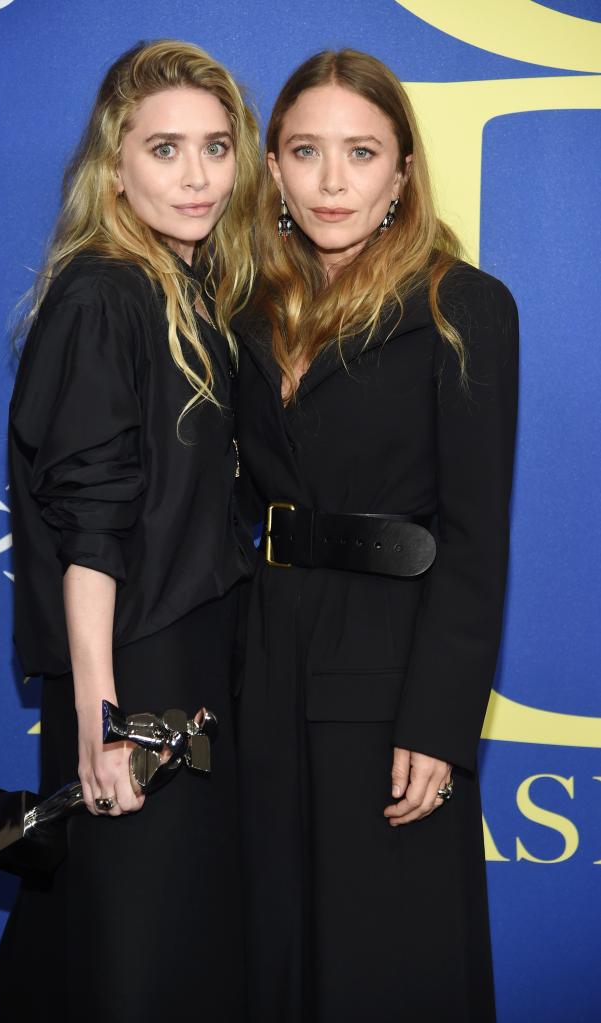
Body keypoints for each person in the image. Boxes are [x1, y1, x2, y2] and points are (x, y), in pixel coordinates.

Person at [234, 49, 518, 1022]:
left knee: (384, 960)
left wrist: (439, 726)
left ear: (402, 171)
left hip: (390, 678)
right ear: (272, 168)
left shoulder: (463, 307)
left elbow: (477, 537)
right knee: (265, 951)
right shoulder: (243, 308)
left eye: (361, 153)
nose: (331, 180)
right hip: (260, 664)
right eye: (305, 151)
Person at [0, 40, 259, 1023]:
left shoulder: (183, 290)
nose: (197, 177)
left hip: (183, 656)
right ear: (116, 163)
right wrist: (105, 718)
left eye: (217, 148)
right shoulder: (106, 294)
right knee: (136, 951)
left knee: (135, 938)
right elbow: (90, 528)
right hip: (136, 670)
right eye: (165, 149)